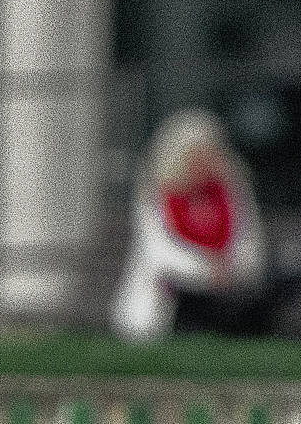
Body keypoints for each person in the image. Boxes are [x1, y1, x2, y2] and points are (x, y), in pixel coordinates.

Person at [109, 109, 269, 340]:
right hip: (166, 307)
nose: (207, 162)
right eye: (199, 155)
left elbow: (249, 246)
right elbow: (159, 254)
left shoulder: (230, 190)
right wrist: (208, 270)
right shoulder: (157, 193)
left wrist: (230, 269)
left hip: (225, 303)